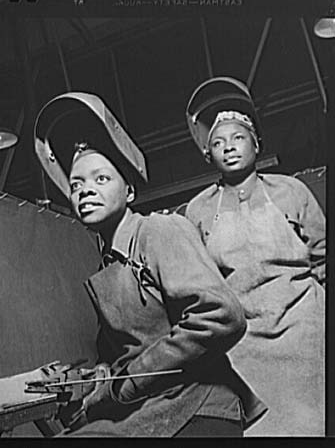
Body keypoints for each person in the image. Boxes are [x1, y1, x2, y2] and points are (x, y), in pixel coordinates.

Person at [33, 92, 267, 437]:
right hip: (156, 406)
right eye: (76, 185)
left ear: (129, 190)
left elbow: (221, 316)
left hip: (199, 405)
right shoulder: (107, 267)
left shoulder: (159, 230)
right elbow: (127, 357)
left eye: (101, 179)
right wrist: (87, 386)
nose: (85, 191)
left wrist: (127, 384)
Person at [185, 77, 326, 436]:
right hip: (243, 341)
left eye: (237, 138)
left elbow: (324, 258)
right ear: (209, 154)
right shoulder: (198, 209)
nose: (228, 148)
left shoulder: (291, 191)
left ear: (256, 143)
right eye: (218, 142)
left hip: (302, 329)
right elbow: (197, 280)